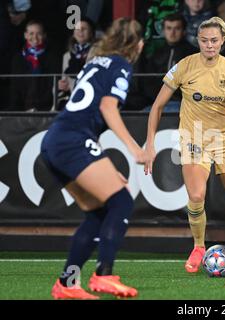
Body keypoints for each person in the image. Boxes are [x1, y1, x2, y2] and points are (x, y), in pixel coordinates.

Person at [144, 16, 225, 277]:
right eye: (204, 41)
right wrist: (149, 145)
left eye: (214, 40)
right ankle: (199, 246)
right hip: (193, 139)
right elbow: (157, 107)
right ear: (198, 41)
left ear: (222, 41)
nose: (209, 45)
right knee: (196, 196)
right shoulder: (184, 66)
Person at [41, 18, 149, 299]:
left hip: (57, 139)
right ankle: (104, 275)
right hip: (73, 141)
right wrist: (134, 149)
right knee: (122, 201)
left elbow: (88, 114)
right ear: (138, 45)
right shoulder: (122, 66)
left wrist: (102, 165)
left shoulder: (95, 62)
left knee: (99, 213)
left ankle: (66, 284)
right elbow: (107, 108)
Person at [9, 20, 60, 111]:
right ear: (25, 35)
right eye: (31, 33)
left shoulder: (52, 57)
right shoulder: (18, 58)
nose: (35, 37)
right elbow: (15, 86)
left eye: (39, 33)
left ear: (44, 35)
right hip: (21, 108)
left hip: (46, 108)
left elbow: (52, 84)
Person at [58, 18, 96, 110]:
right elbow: (64, 79)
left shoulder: (98, 52)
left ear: (91, 33)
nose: (81, 31)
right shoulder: (67, 55)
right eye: (78, 28)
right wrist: (60, 86)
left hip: (90, 97)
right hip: (71, 99)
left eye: (84, 28)